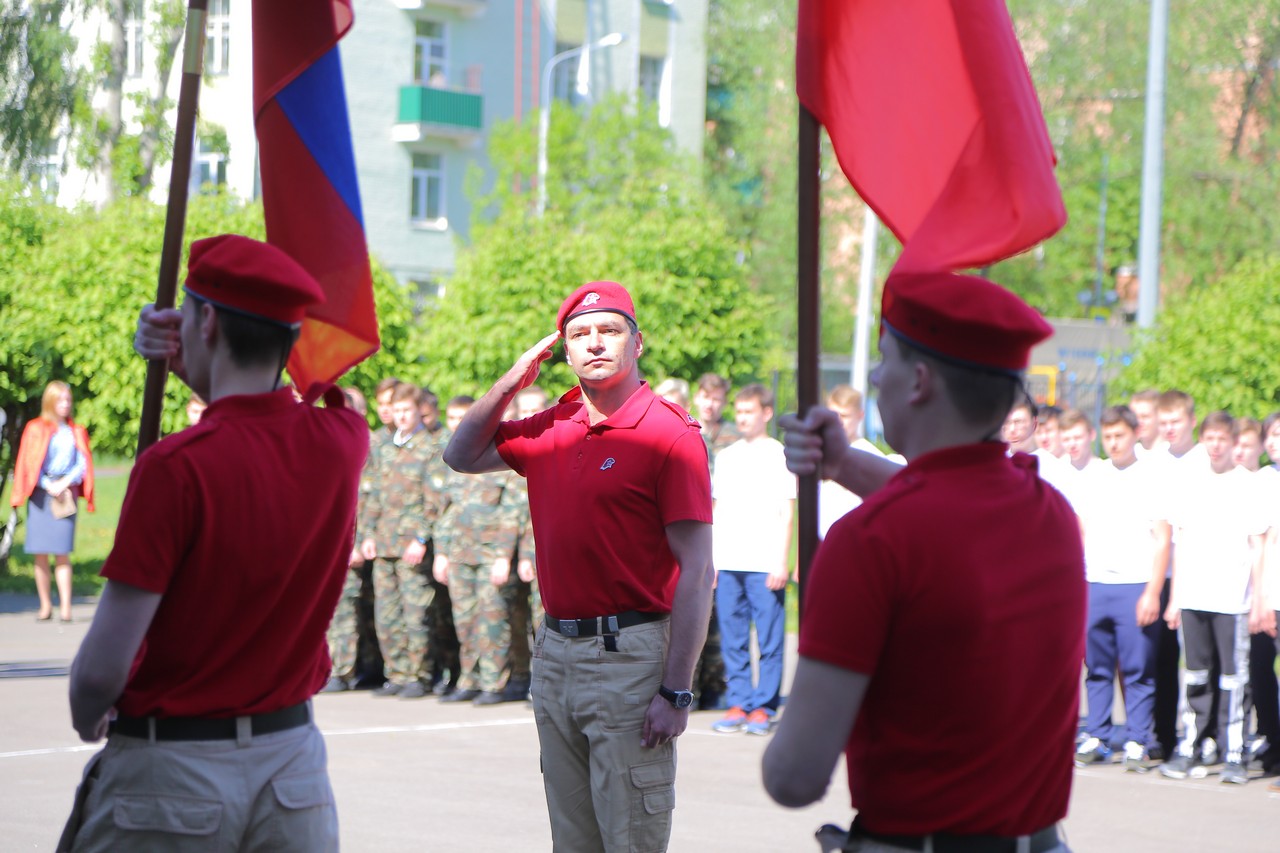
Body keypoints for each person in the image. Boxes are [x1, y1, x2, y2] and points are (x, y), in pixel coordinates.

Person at [60, 234, 367, 851]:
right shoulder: (343, 440)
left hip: (175, 774)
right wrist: (194, 358)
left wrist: (87, 711)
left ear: (204, 323)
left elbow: (102, 668)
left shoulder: (175, 467)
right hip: (293, 772)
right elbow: (273, 413)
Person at [762, 271, 1083, 852]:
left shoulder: (869, 541)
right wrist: (843, 462)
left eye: (885, 359)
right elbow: (949, 500)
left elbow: (794, 777)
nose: (874, 377)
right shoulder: (1049, 511)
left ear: (919, 381)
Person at [444, 280, 714, 851]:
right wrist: (512, 380)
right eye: (579, 334)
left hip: (631, 657)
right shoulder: (552, 425)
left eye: (609, 330)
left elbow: (697, 569)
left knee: (630, 837)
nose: (594, 343)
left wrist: (676, 691)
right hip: (556, 654)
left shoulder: (670, 433)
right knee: (572, 840)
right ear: (563, 351)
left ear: (636, 343)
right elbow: (460, 454)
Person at [1158, 412, 1268, 785]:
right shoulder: (1191, 481)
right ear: (1203, 440)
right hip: (1195, 597)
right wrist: (1175, 598)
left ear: (1233, 442)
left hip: (1232, 600)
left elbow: (1257, 546)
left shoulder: (1247, 484)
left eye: (1223, 438)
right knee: (1195, 675)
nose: (1216, 446)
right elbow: (1181, 543)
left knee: (1234, 679)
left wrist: (1257, 598)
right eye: (1210, 438)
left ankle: (1234, 751)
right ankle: (1191, 745)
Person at [1072, 406, 1169, 771]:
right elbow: (1081, 530)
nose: (1113, 443)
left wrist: (1152, 592)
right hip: (1096, 585)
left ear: (1134, 434)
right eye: (1108, 436)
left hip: (1135, 585)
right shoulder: (1094, 476)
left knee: (1137, 669)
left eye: (1120, 436)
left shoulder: (1151, 476)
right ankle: (1097, 736)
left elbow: (1163, 538)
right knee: (1097, 668)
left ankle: (1137, 740)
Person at [709, 383, 795, 736]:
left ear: (766, 413)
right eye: (739, 411)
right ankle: (740, 702)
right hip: (730, 561)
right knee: (733, 638)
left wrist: (781, 562)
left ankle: (763, 706)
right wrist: (713, 560)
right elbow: (716, 510)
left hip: (764, 563)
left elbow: (787, 513)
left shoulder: (780, 455)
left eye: (750, 412)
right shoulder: (727, 456)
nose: (742, 418)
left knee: (770, 640)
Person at [358, 382, 453, 699]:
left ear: (418, 411)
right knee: (387, 614)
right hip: (384, 542)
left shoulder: (430, 448)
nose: (400, 416)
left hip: (412, 545)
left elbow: (435, 501)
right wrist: (368, 534)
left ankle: (419, 675)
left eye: (406, 410)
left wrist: (420, 538)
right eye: (396, 410)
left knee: (416, 614)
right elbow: (372, 495)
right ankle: (397, 673)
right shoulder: (384, 448)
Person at [433, 395, 529, 704]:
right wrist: (442, 552)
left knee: (493, 620)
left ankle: (494, 682)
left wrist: (503, 556)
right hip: (460, 552)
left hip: (490, 554)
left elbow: (512, 512)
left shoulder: (501, 457)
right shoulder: (454, 460)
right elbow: (445, 513)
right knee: (465, 620)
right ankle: (470, 678)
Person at [11, 380, 95, 623]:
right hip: (41, 494)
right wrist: (48, 484)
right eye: (60, 400)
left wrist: (65, 482)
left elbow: (82, 463)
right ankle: (45, 605)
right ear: (50, 402)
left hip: (66, 493)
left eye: (68, 400)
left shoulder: (75, 431)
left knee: (62, 551)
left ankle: (66, 607)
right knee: (40, 553)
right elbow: (30, 462)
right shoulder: (35, 428)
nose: (65, 404)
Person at [817, 384, 890, 538]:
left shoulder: (872, 457)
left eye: (844, 416)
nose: (838, 422)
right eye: (833, 415)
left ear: (860, 415)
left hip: (853, 540)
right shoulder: (819, 454)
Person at [1129, 389, 1163, 457]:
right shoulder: (1128, 456)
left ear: (1160, 416)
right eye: (1135, 417)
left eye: (1145, 416)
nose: (1139, 422)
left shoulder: (1176, 454)